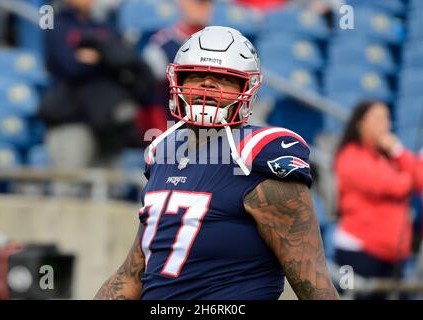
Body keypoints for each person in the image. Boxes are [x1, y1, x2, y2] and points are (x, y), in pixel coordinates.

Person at [94, 26, 339, 300]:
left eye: (223, 79)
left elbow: (315, 286)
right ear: (179, 83)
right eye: (196, 76)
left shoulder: (258, 156)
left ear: (246, 88)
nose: (208, 84)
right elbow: (132, 274)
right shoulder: (163, 152)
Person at [39, 0, 154, 168]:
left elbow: (129, 61)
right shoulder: (56, 24)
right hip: (71, 120)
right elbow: (71, 65)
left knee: (106, 188)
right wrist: (109, 59)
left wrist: (98, 56)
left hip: (108, 125)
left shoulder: (105, 26)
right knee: (68, 188)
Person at [333, 100, 423, 299]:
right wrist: (409, 176)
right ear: (360, 123)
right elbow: (391, 185)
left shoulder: (392, 156)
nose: (385, 124)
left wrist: (399, 151)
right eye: (378, 118)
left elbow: (420, 178)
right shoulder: (350, 155)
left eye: (387, 118)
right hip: (357, 252)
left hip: (393, 256)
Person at [139, 0, 214, 134]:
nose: (203, 8)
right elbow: (152, 95)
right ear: (182, 3)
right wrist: (160, 132)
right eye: (197, 2)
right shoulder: (162, 44)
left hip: (213, 126)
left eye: (207, 3)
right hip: (172, 126)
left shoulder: (221, 44)